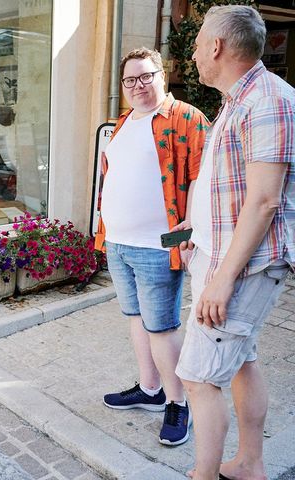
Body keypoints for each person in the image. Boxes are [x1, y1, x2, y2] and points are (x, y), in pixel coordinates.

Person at [173, 6, 294, 480]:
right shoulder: (236, 100)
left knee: (198, 378)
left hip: (241, 268)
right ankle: (248, 464)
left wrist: (221, 281)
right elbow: (221, 188)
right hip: (215, 256)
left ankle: (203, 476)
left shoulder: (270, 100)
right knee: (242, 359)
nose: (196, 51)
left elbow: (264, 202)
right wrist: (186, 234)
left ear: (218, 46)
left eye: (200, 41)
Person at [95, 47, 208, 446]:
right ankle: (149, 389)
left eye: (146, 76)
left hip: (159, 244)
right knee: (135, 318)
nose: (139, 85)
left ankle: (179, 403)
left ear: (163, 75)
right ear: (123, 86)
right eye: (131, 80)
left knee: (161, 327)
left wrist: (191, 227)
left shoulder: (185, 117)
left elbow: (200, 174)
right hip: (119, 242)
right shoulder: (124, 121)